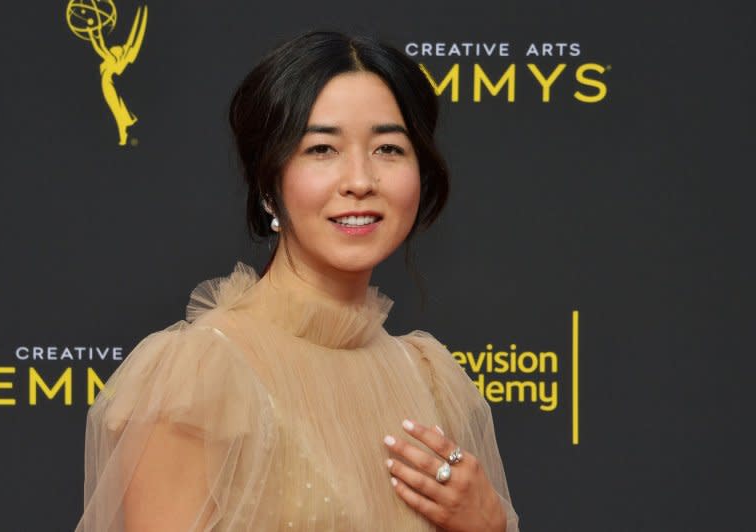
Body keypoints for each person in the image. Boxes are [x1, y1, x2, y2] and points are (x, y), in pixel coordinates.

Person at [75, 30, 519, 532]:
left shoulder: (432, 380)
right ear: (269, 184)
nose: (360, 179)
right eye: (323, 148)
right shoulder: (199, 378)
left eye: (389, 148)